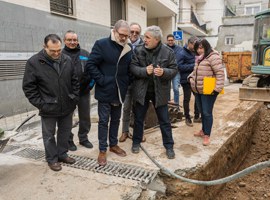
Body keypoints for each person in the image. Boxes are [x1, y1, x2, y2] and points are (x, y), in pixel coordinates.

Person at [22, 34, 79, 171]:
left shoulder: (67, 59)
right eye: (52, 51)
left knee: (65, 132)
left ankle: (62, 154)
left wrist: (74, 97)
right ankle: (52, 159)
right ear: (44, 47)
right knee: (49, 136)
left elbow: (75, 80)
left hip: (67, 105)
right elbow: (29, 87)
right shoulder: (34, 62)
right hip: (48, 107)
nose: (56, 53)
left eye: (59, 50)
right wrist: (42, 105)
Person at [85, 19, 132, 166]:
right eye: (121, 34)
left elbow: (130, 68)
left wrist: (126, 82)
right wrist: (102, 80)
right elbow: (90, 65)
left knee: (116, 120)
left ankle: (113, 145)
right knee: (104, 121)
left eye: (126, 35)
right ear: (114, 31)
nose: (123, 37)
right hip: (105, 90)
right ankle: (102, 150)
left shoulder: (129, 48)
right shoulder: (102, 44)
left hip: (119, 91)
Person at [130, 25, 177, 159]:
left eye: (148, 37)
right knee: (139, 119)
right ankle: (136, 142)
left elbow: (174, 69)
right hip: (142, 91)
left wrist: (164, 72)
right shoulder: (138, 50)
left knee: (164, 120)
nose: (144, 39)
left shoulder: (168, 52)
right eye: (144, 37)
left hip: (160, 93)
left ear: (156, 39)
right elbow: (132, 67)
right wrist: (144, 71)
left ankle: (169, 146)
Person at [62, 30, 94, 151]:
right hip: (67, 93)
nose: (72, 42)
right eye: (69, 40)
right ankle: (69, 140)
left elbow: (93, 71)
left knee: (85, 116)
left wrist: (90, 86)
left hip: (83, 92)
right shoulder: (60, 54)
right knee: (67, 118)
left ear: (78, 40)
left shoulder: (85, 54)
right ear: (64, 41)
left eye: (74, 40)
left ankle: (83, 138)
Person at [188, 38, 224, 146]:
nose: (199, 50)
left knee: (207, 113)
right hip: (198, 90)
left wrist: (217, 89)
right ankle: (203, 130)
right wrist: (190, 78)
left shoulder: (213, 57)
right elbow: (195, 72)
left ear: (206, 47)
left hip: (209, 91)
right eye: (197, 48)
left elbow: (220, 74)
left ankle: (207, 135)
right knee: (202, 112)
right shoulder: (199, 58)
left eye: (201, 48)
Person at [119, 22, 145, 143]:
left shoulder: (144, 46)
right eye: (132, 32)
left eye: (137, 32)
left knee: (139, 108)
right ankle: (125, 131)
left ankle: (139, 132)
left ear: (140, 34)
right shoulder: (123, 44)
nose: (134, 34)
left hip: (140, 83)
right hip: (127, 82)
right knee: (126, 108)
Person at [177, 36, 200, 127]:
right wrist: (193, 66)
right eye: (194, 45)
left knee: (198, 97)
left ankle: (197, 116)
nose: (196, 47)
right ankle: (187, 118)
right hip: (186, 80)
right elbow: (179, 67)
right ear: (189, 43)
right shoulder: (181, 53)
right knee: (187, 99)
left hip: (195, 79)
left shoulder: (195, 52)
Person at [166, 34, 182, 105]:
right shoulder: (164, 48)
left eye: (171, 40)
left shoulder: (179, 49)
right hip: (167, 72)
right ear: (167, 40)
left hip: (176, 72)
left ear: (174, 40)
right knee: (167, 89)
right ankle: (169, 107)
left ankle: (176, 106)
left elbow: (180, 59)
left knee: (176, 89)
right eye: (169, 40)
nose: (170, 42)